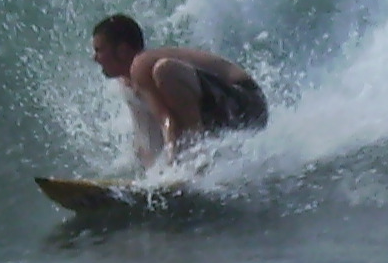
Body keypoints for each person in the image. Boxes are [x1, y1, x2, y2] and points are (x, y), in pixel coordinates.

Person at [92, 14, 268, 169]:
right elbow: (145, 139)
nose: (95, 58)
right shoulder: (127, 83)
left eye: (99, 50)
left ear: (122, 51)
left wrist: (172, 170)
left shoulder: (140, 65)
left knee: (165, 70)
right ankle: (194, 162)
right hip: (228, 111)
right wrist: (150, 179)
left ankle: (197, 159)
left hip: (248, 102)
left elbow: (168, 121)